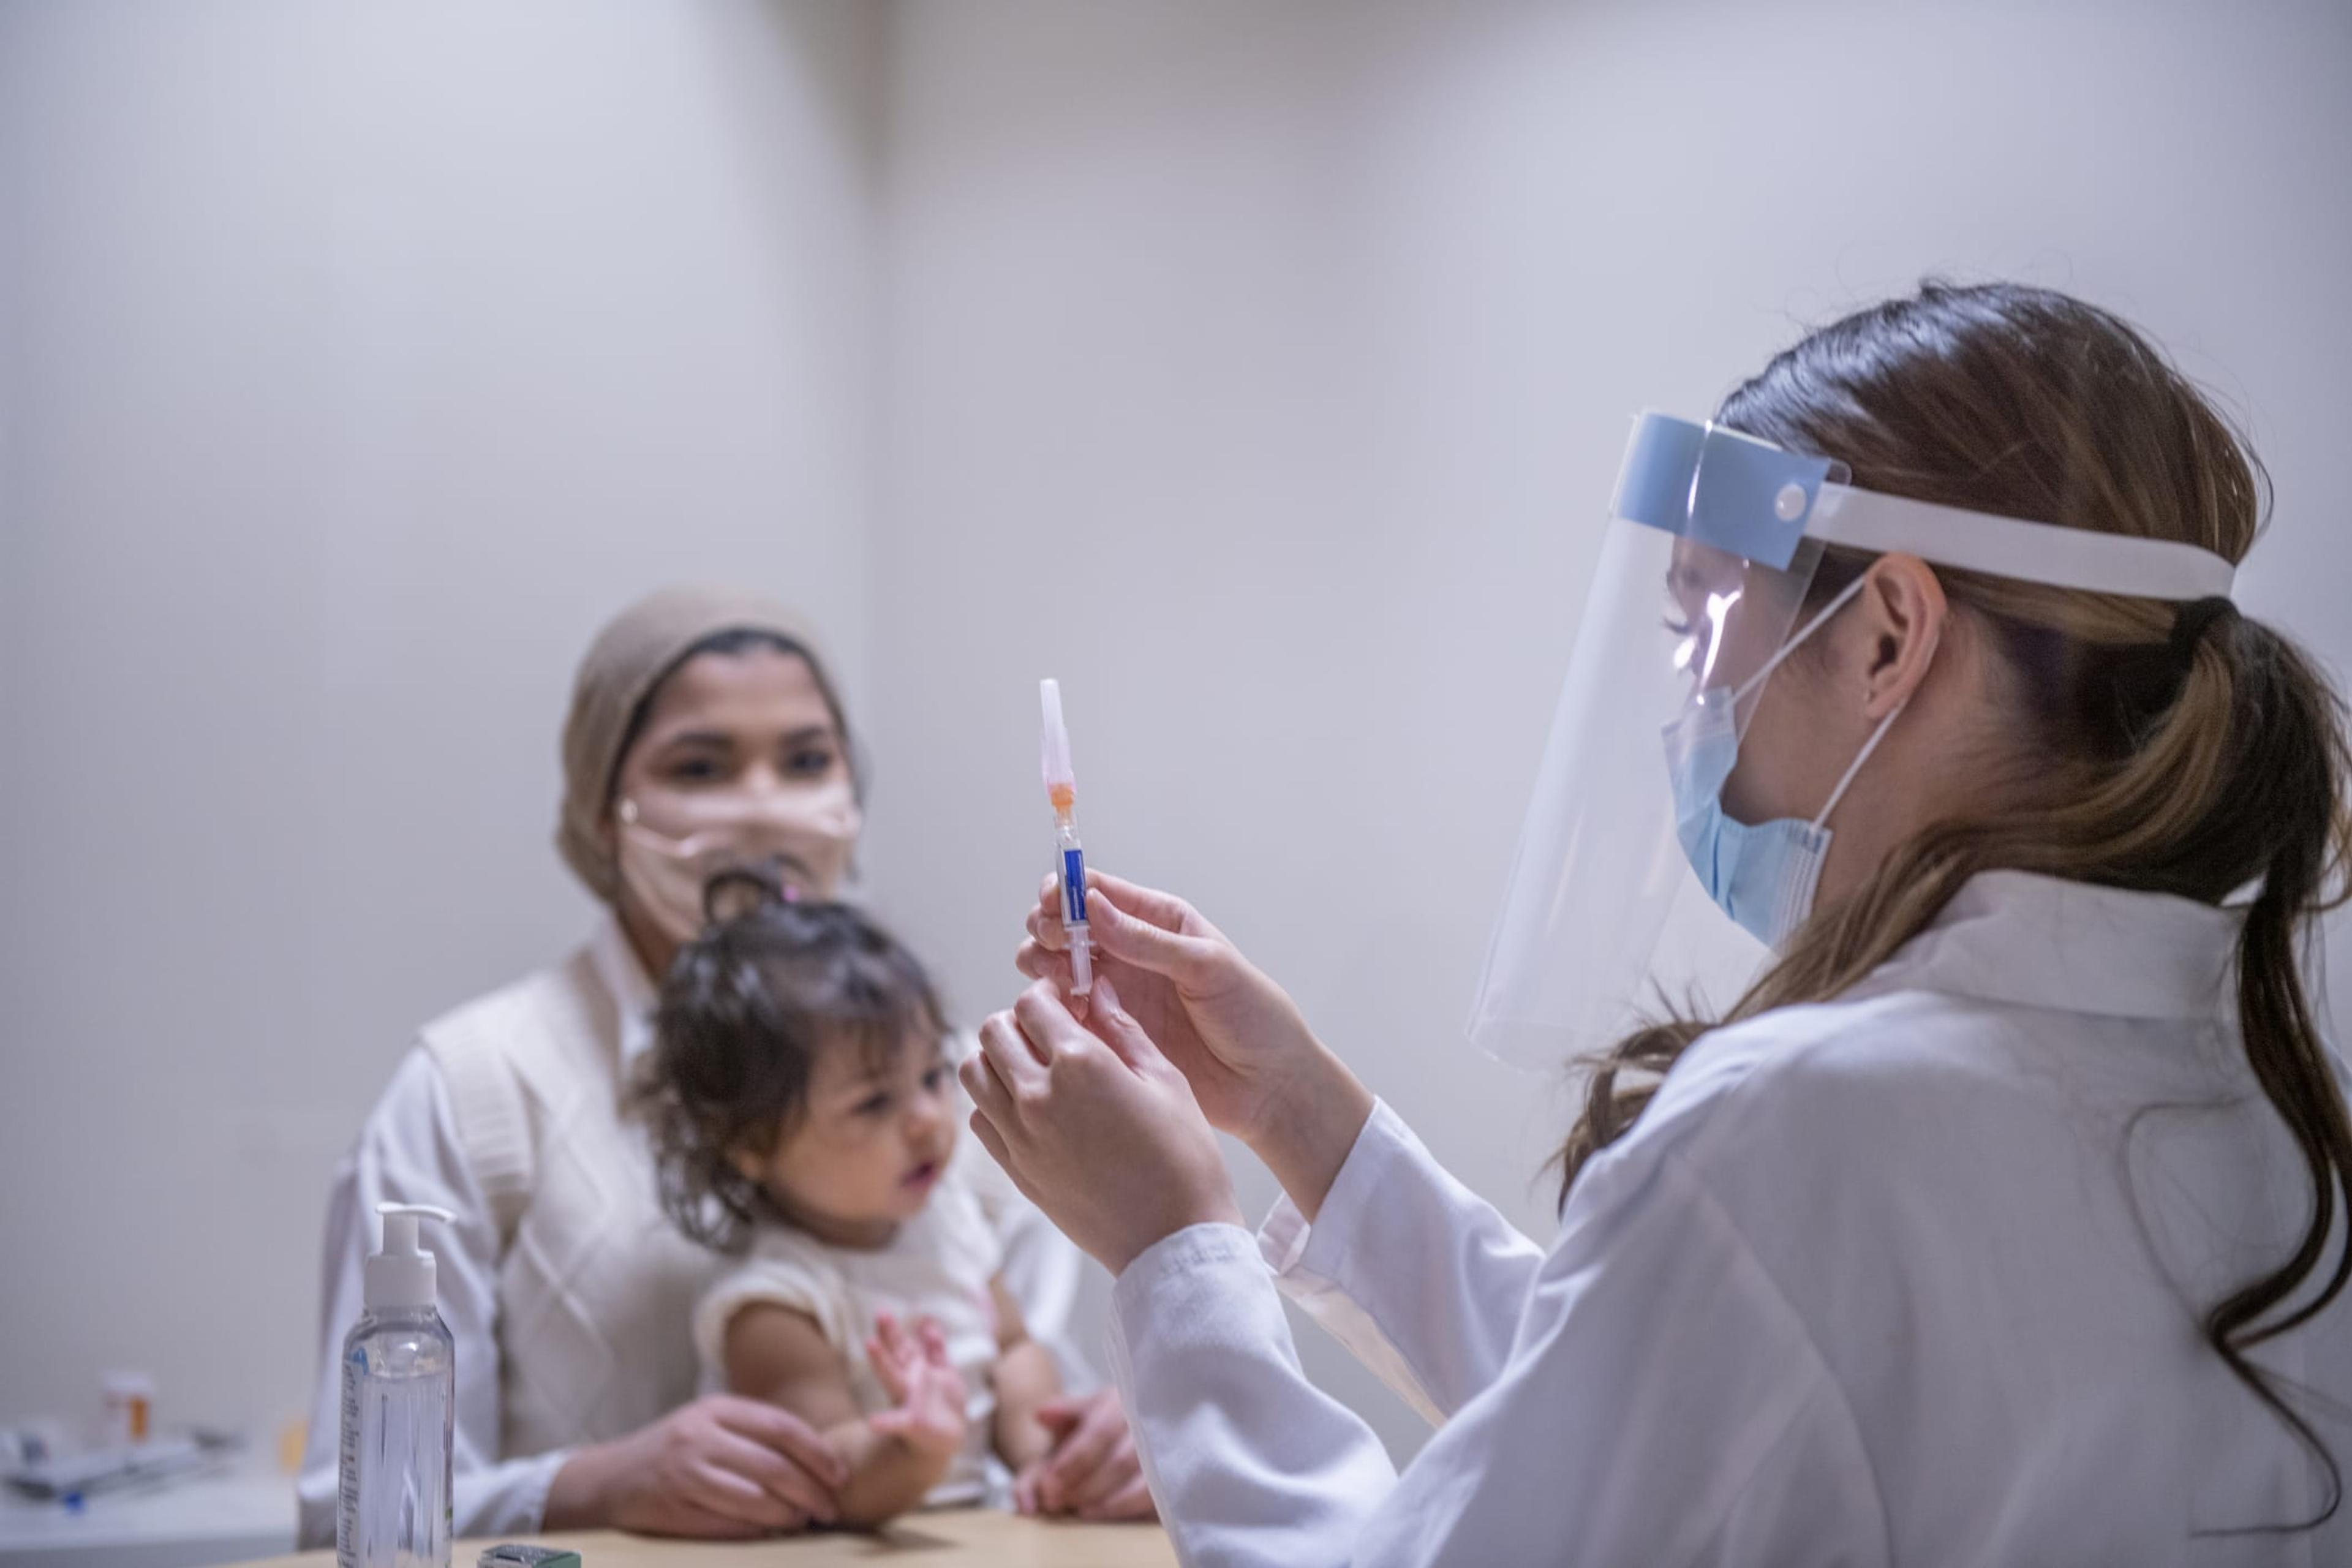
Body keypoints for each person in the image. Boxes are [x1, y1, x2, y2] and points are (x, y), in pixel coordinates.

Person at [963, 283, 2352, 1563]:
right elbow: (1684, 1412)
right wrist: (1300, 1114)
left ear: (1885, 633)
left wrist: (1169, 1243)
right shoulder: (2273, 1097)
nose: (1690, 707)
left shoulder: (1811, 1119)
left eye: (1701, 627)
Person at [298, 586, 1147, 1545]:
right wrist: (596, 1485)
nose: (765, 809)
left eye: (807, 760)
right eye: (700, 766)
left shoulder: (955, 1086)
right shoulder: (471, 1086)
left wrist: (1110, 1444)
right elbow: (347, 1506)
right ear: (601, 808)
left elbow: (1018, 1402)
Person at [635, 892, 1096, 1523]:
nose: (930, 1118)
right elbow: (827, 1479)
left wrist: (1045, 1458)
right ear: (750, 1143)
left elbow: (1014, 1350)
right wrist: (911, 1448)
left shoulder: (949, 1218)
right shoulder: (775, 1301)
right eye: (874, 1103)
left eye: (932, 1075)